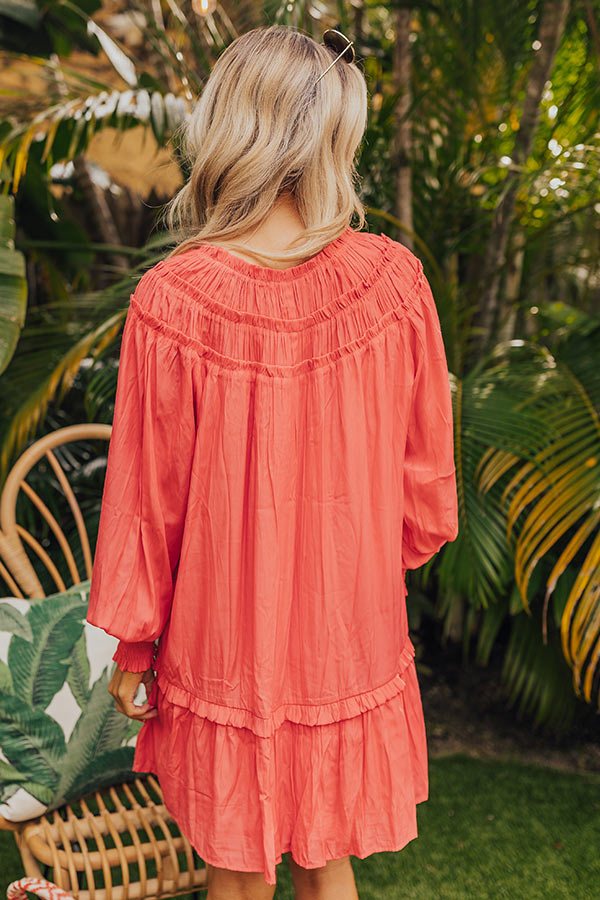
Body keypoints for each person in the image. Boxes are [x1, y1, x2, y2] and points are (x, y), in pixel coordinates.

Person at [86, 22, 459, 900]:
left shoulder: (173, 300)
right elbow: (426, 487)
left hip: (221, 634)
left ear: (228, 124)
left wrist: (137, 644)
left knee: (237, 862)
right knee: (329, 860)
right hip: (347, 627)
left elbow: (148, 502)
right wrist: (354, 568)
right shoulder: (394, 284)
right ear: (334, 128)